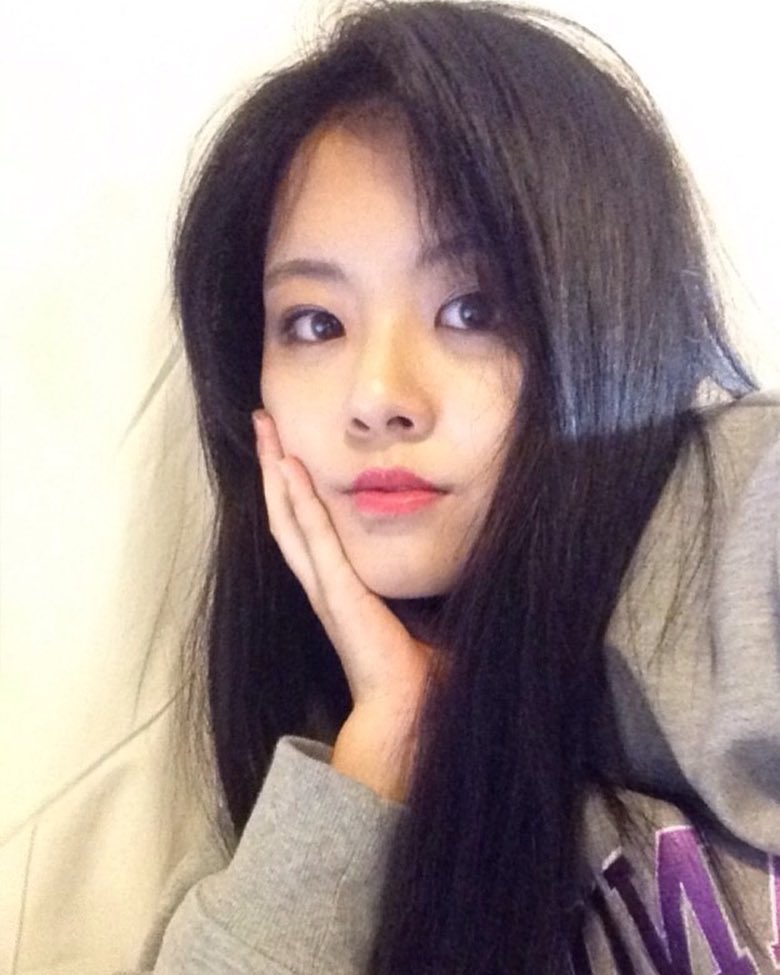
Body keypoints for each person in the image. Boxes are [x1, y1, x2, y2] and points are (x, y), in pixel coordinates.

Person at [122, 2, 780, 972]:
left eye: (473, 310)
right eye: (315, 323)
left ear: (607, 313)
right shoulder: (310, 779)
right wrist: (389, 743)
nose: (378, 398)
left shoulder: (740, 524)